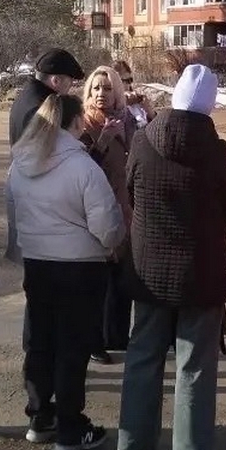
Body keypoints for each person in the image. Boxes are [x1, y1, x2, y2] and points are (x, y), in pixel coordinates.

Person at [117, 64, 226, 450]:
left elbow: (130, 191)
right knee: (195, 366)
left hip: (148, 269)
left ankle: (130, 447)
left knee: (142, 357)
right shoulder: (216, 151)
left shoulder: (141, 142)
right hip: (200, 273)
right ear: (210, 103)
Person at [6, 94, 126, 450]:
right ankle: (71, 429)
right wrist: (113, 244)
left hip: (38, 263)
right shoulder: (81, 166)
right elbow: (106, 223)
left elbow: (14, 213)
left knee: (41, 342)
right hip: (80, 267)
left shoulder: (21, 163)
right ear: (75, 123)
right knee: (73, 348)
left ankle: (41, 416)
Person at [6, 48, 85, 263]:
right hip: (36, 201)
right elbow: (55, 152)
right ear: (56, 80)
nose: (72, 87)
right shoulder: (43, 107)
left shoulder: (28, 95)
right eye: (70, 81)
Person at [80, 65, 132, 364]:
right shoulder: (84, 122)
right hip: (97, 208)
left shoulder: (125, 119)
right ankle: (93, 340)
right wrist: (103, 140)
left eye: (108, 88)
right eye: (96, 88)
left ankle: (118, 336)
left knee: (122, 277)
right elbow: (82, 168)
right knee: (97, 280)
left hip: (124, 206)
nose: (101, 93)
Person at [112, 59, 156, 138]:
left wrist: (150, 112)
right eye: (125, 81)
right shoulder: (111, 103)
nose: (129, 84)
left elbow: (156, 128)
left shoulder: (138, 101)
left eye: (130, 80)